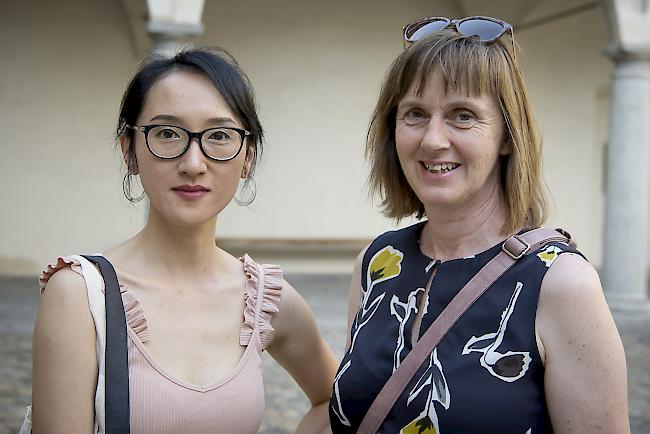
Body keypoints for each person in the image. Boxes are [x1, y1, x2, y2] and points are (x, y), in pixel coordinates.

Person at [329, 17, 629, 434]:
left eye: (462, 116)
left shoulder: (560, 283)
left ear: (507, 136)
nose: (433, 140)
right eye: (415, 114)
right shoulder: (378, 263)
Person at [31, 48, 338, 433]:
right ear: (130, 152)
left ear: (248, 157)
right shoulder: (80, 296)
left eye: (220, 135)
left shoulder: (264, 298)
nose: (193, 163)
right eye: (167, 133)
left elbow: (335, 402)